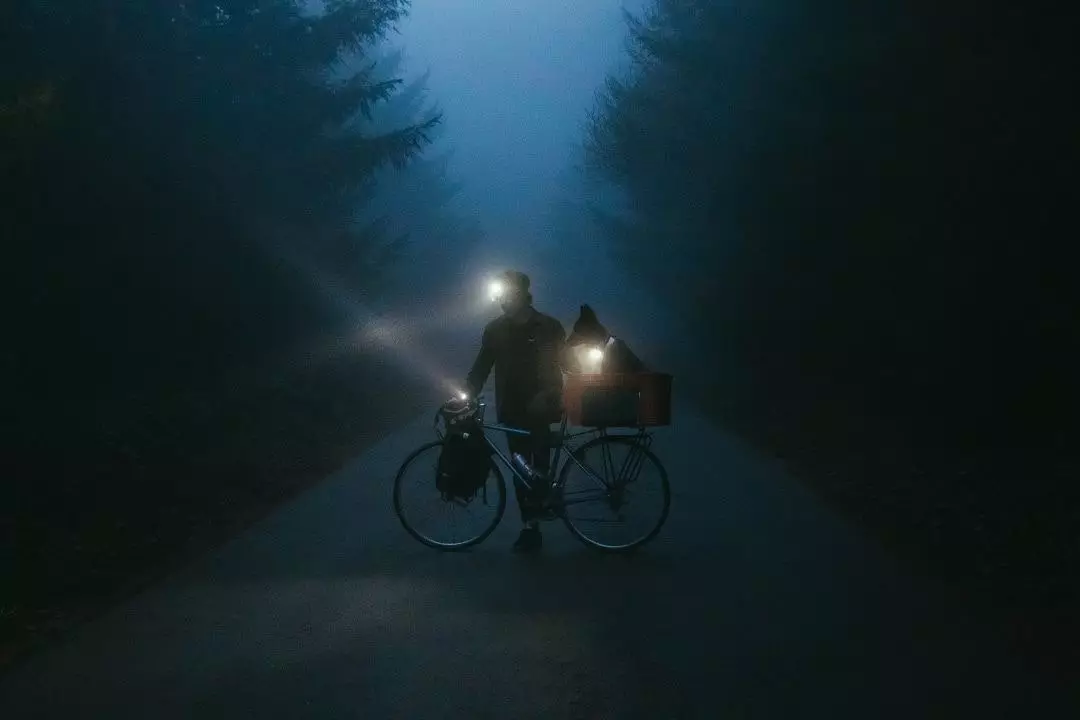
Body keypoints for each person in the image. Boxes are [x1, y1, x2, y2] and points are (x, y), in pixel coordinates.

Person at [462, 269, 570, 553]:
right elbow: (482, 367)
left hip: (542, 405)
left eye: (507, 292)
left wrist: (548, 393)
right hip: (511, 407)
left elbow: (560, 364)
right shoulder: (495, 329)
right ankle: (531, 524)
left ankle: (540, 507)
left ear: (522, 294)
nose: (502, 298)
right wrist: (466, 394)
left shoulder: (548, 326)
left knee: (538, 462)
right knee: (521, 467)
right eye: (500, 293)